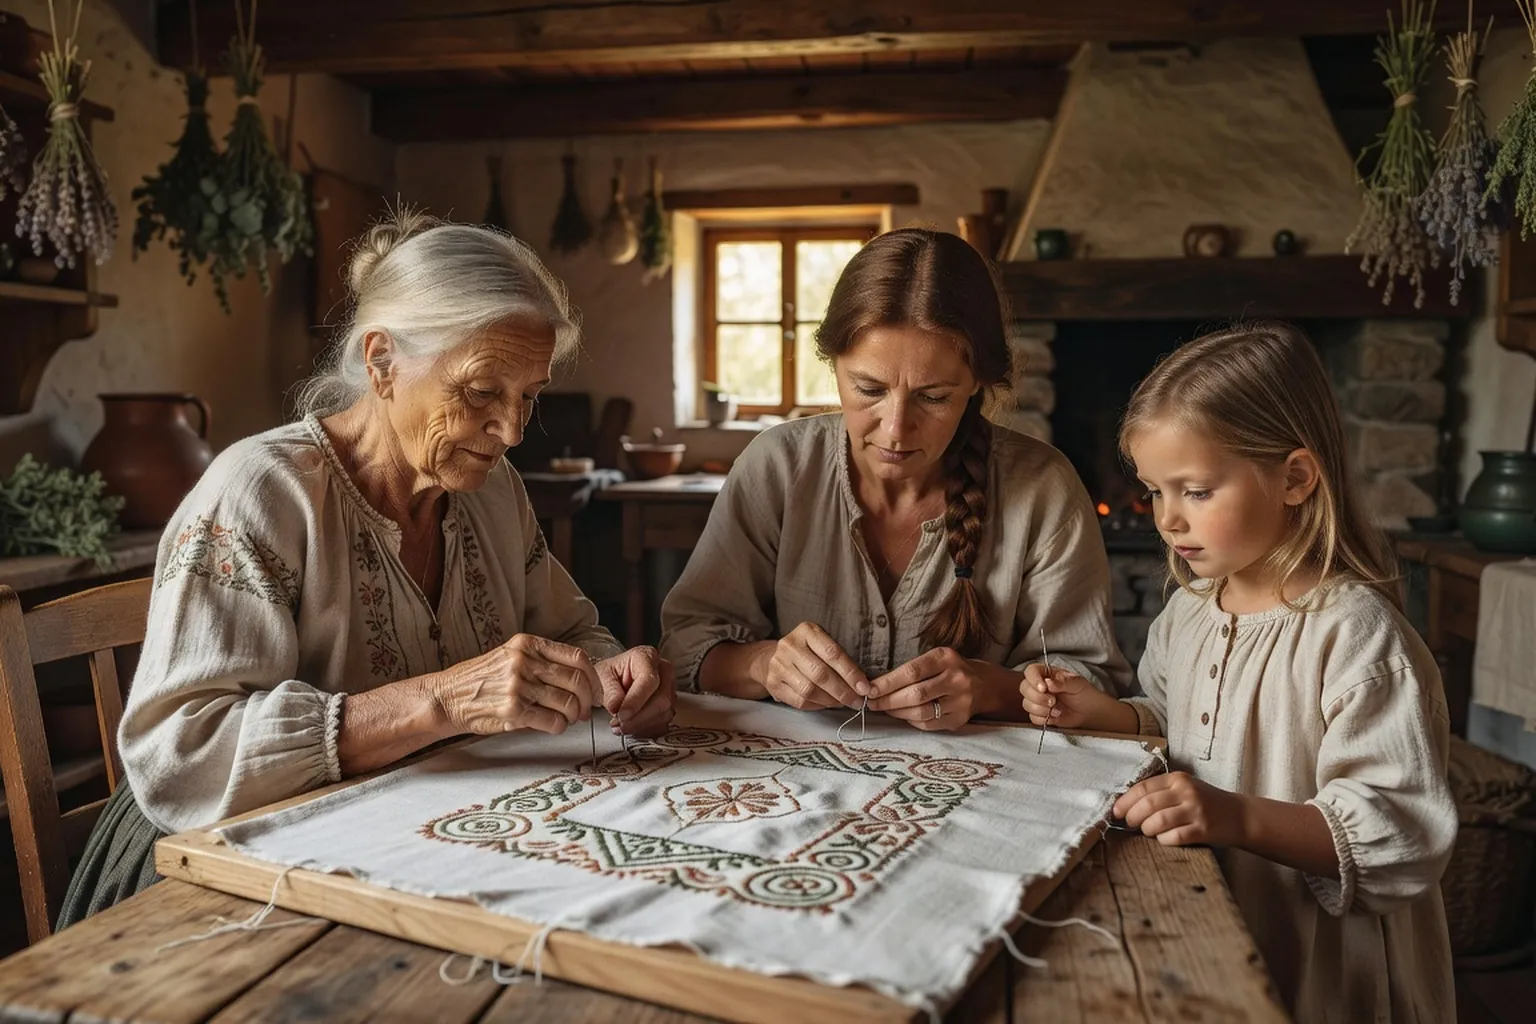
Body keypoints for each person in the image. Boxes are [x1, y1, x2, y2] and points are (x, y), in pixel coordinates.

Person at [58, 210, 675, 928]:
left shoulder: (492, 491)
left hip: (398, 843)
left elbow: (569, 631)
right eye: (480, 392)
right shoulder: (263, 492)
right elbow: (181, 757)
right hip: (202, 869)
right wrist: (440, 701)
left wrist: (613, 674)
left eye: (528, 397)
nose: (510, 431)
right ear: (381, 361)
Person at [1021, 322, 1455, 1021]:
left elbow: (1400, 833)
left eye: (1194, 491)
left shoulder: (1358, 639)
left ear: (1294, 478)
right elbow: (1170, 715)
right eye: (1154, 492)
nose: (1166, 519)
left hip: (1328, 966)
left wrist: (1234, 814)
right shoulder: (1192, 610)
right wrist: (1100, 713)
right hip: (1214, 919)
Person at [661, 228, 1129, 727]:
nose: (896, 429)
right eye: (868, 388)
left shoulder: (1043, 487)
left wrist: (990, 689)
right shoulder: (777, 466)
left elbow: (1092, 683)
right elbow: (686, 647)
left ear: (977, 384)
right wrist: (763, 664)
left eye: (933, 397)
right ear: (833, 364)